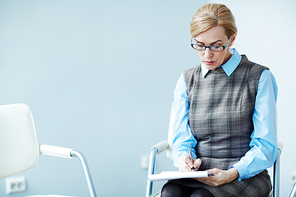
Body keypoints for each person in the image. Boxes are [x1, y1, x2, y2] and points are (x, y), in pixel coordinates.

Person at [161, 3, 278, 197]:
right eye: (199, 45)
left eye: (216, 46)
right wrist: (184, 159)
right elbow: (182, 139)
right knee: (170, 192)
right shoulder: (186, 80)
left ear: (232, 39)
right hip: (201, 173)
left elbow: (265, 146)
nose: (207, 55)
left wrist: (232, 172)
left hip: (244, 174)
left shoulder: (259, 76)